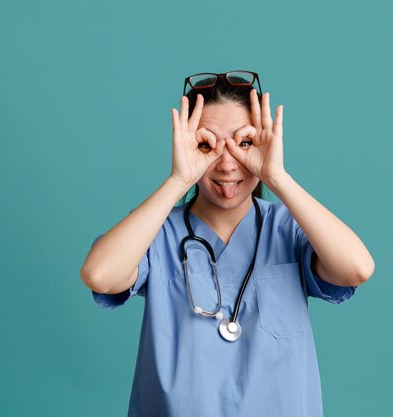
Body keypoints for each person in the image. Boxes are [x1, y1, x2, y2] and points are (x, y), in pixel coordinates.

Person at [79, 70, 375, 417]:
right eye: (206, 144)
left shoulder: (288, 229)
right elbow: (101, 275)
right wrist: (179, 179)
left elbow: (357, 268)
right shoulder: (157, 231)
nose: (227, 163)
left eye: (244, 143)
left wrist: (277, 177)